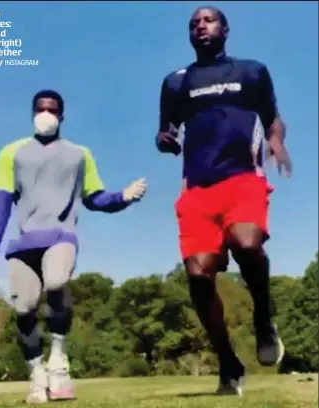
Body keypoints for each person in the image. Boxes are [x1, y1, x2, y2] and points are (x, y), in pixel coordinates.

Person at [0, 89, 147, 404]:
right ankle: (37, 375)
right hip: (23, 244)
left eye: (52, 110)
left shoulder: (79, 154)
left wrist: (122, 197)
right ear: (32, 113)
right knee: (24, 308)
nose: (46, 114)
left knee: (56, 283)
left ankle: (58, 362)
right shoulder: (11, 153)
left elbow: (94, 197)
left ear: (62, 116)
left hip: (61, 236)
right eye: (41, 109)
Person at [156, 6, 292, 396]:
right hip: (196, 189)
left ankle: (264, 320)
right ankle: (228, 364)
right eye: (194, 23)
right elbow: (165, 129)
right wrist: (164, 139)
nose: (201, 25)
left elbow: (273, 118)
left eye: (209, 20)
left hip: (242, 179)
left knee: (247, 242)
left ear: (226, 29)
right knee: (199, 276)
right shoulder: (175, 82)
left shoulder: (252, 72)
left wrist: (276, 140)